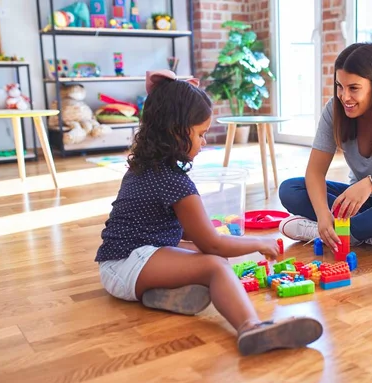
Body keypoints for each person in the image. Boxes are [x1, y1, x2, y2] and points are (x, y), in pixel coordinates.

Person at [95, 70, 322, 356]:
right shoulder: (174, 181)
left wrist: (216, 245)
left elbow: (191, 234)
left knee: (212, 258)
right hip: (127, 263)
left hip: (124, 259)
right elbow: (211, 243)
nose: (204, 142)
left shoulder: (144, 166)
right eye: (200, 133)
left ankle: (162, 296)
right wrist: (259, 242)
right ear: (175, 131)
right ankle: (251, 327)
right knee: (216, 265)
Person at [278, 43, 372, 255]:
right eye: (339, 86)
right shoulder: (334, 109)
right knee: (290, 189)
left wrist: (371, 184)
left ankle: (335, 233)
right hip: (359, 204)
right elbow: (314, 172)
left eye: (353, 88)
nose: (344, 96)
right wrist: (323, 215)